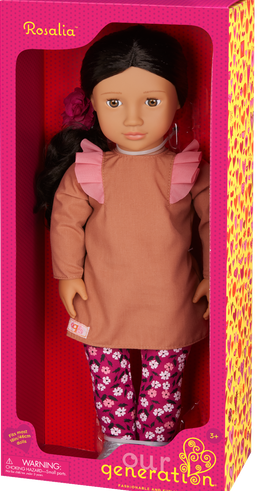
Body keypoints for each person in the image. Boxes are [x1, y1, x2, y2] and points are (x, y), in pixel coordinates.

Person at [34, 25, 210, 459]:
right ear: (93, 104)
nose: (133, 119)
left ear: (178, 101)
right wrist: (68, 275)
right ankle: (115, 445)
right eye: (115, 103)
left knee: (164, 379)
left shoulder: (186, 169)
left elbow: (216, 224)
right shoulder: (89, 169)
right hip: (103, 297)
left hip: (170, 298)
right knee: (107, 376)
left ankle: (156, 450)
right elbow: (66, 223)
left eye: (151, 102)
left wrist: (215, 275)